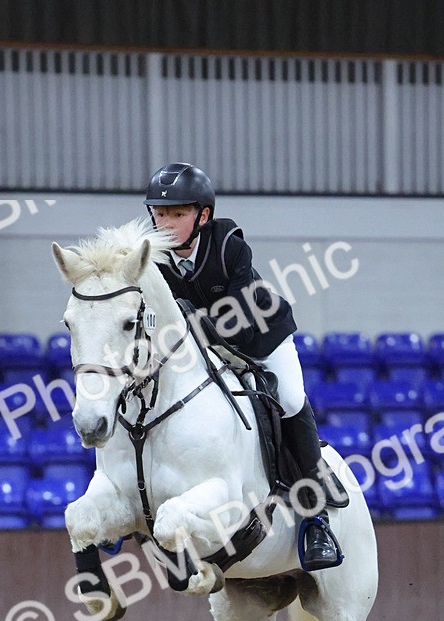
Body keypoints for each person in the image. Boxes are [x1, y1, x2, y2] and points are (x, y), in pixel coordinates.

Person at [145, 162, 341, 571]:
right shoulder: (154, 260)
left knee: (290, 399)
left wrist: (188, 326)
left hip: (261, 339)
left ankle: (316, 517)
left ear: (203, 215)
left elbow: (239, 321)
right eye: (160, 213)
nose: (166, 223)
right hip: (206, 350)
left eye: (178, 214)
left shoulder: (229, 245)